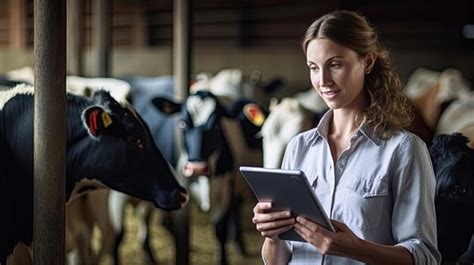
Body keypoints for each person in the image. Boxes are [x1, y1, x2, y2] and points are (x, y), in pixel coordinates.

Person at [252, 10, 441, 265]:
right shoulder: (299, 147)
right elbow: (279, 259)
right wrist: (272, 235)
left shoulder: (404, 149)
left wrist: (356, 249)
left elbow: (425, 256)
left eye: (335, 64)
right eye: (313, 68)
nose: (323, 81)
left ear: (368, 62)